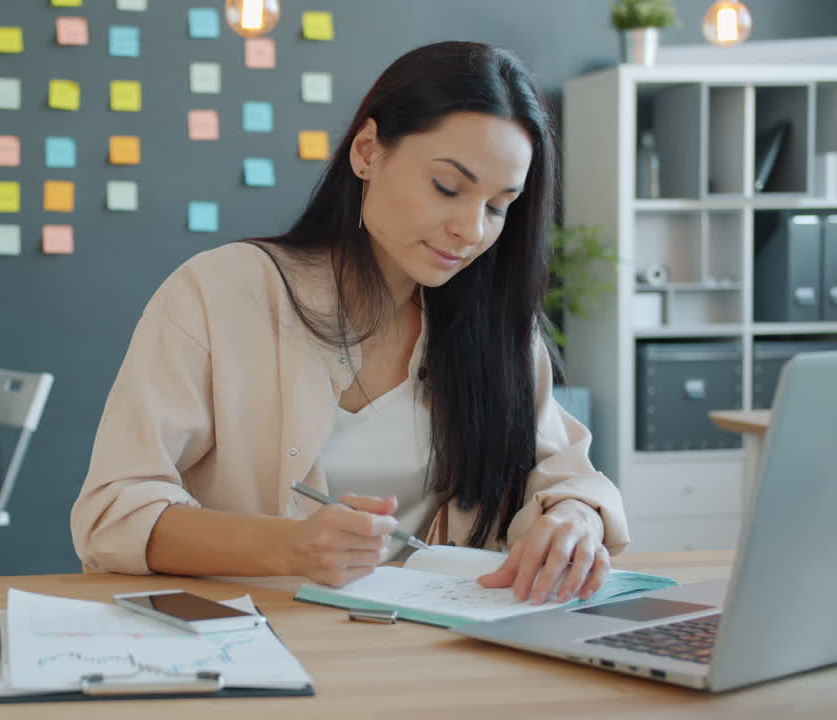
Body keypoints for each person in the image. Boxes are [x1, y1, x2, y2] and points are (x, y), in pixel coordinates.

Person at [71, 41, 629, 603]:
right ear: (367, 151)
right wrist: (290, 548)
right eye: (447, 187)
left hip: (431, 650)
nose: (471, 229)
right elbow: (114, 514)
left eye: (497, 205)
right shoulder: (219, 293)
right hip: (252, 642)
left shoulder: (493, 331)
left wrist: (578, 519)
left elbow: (565, 474)